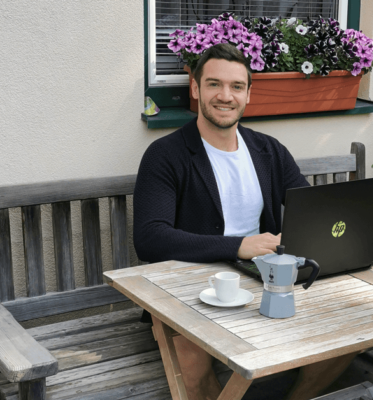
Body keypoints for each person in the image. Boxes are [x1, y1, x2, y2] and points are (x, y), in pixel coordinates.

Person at [133, 43, 355, 400]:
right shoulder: (166, 155)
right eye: (214, 84)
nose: (225, 95)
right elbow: (149, 237)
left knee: (352, 333)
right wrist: (237, 245)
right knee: (190, 367)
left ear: (249, 94)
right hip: (190, 292)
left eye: (237, 86)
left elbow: (309, 211)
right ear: (195, 88)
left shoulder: (269, 151)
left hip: (267, 281)